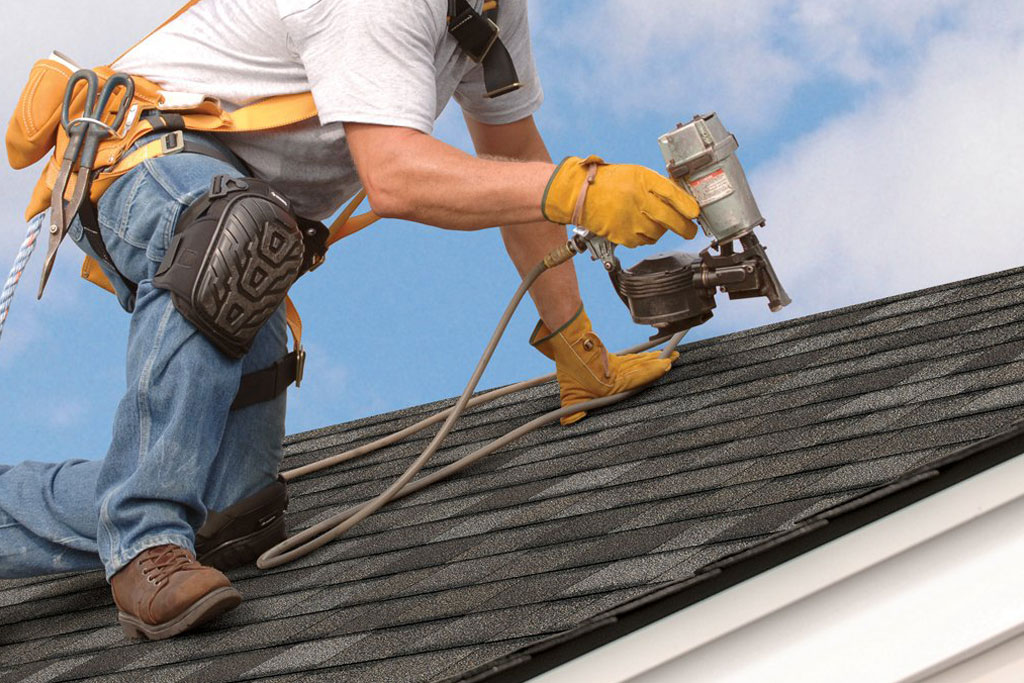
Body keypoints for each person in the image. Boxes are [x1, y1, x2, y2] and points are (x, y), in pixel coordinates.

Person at [0, 0, 699, 640]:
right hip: (143, 159)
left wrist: (577, 346)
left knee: (226, 511)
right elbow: (393, 175)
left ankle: (121, 518)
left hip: (246, 220)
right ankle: (143, 540)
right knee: (227, 234)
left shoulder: (490, 11)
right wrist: (580, 189)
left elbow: (514, 157)